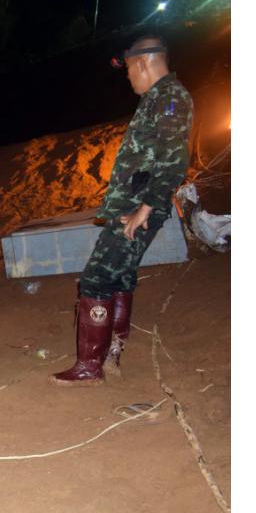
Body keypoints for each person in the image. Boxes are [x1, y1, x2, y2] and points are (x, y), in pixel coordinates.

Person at [49, 34, 193, 386]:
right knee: (120, 276)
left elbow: (174, 160)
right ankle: (112, 352)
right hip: (132, 206)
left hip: (138, 208)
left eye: (129, 69)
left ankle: (89, 366)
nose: (128, 77)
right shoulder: (156, 100)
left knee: (96, 278)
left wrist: (146, 207)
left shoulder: (170, 98)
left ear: (143, 63)